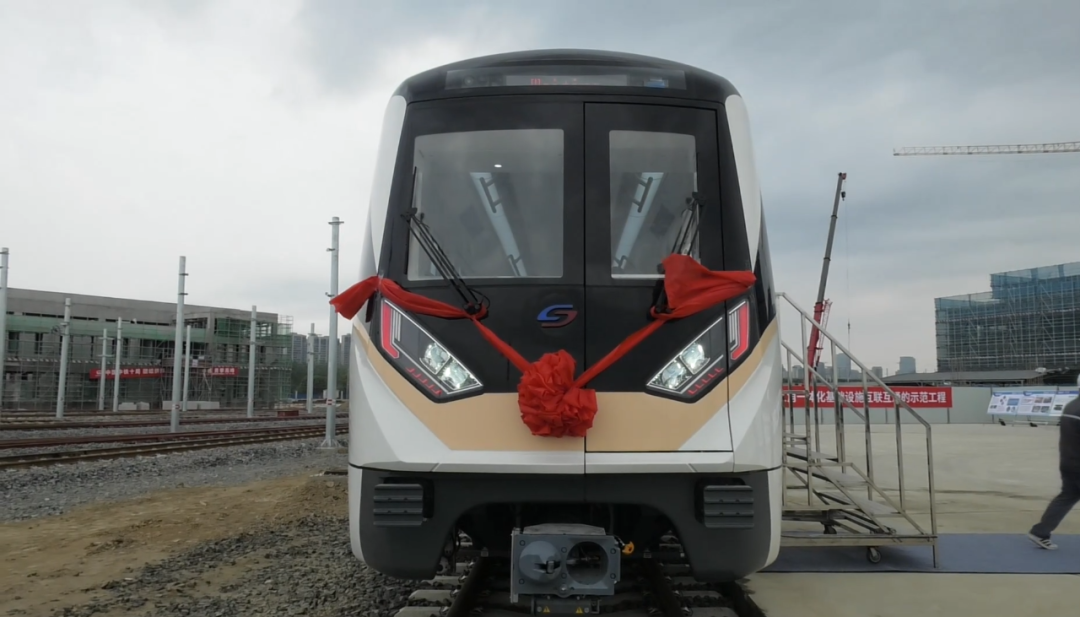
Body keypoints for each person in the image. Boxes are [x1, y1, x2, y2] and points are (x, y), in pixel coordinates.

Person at [1029, 373, 1080, 550]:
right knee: (1067, 497)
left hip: (1068, 461)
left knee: (1067, 497)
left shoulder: (1071, 405)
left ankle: (1040, 532)